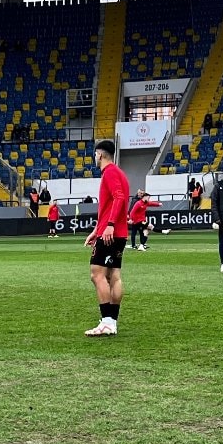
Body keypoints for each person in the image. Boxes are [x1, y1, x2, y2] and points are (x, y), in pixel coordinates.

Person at [83, 139, 130, 337]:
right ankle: (112, 322)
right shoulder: (120, 173)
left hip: (110, 232)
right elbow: (112, 203)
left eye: (95, 154)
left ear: (100, 154)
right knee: (113, 276)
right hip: (118, 232)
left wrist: (109, 225)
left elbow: (119, 197)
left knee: (97, 274)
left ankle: (107, 322)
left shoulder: (109, 172)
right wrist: (97, 229)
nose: (95, 157)